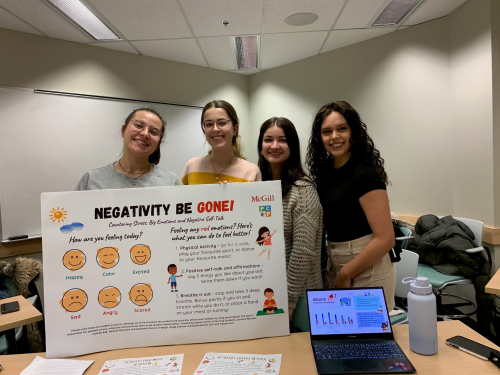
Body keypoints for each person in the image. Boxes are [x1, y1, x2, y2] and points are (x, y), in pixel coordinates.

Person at [306, 101, 396, 311]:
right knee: (342, 333)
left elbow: (386, 239)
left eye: (341, 129)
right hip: (336, 263)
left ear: (353, 132)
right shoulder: (325, 173)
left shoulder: (365, 175)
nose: (334, 137)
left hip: (366, 265)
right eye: (327, 131)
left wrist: (346, 273)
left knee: (370, 338)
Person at [257, 117, 323, 326]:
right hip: (270, 292)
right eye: (268, 140)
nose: (274, 146)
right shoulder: (261, 187)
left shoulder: (303, 190)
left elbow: (303, 251)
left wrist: (289, 300)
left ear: (292, 146)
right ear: (261, 146)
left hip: (300, 297)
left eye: (282, 140)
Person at [76, 108, 182, 190]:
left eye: (153, 132)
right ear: (123, 130)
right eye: (139, 125)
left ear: (159, 141)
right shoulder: (92, 179)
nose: (145, 133)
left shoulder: (171, 181)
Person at [181, 100, 261, 184]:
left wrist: (236, 194)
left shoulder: (252, 172)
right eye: (209, 124)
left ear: (234, 129)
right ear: (203, 130)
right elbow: (179, 197)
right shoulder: (192, 167)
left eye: (222, 123)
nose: (215, 129)